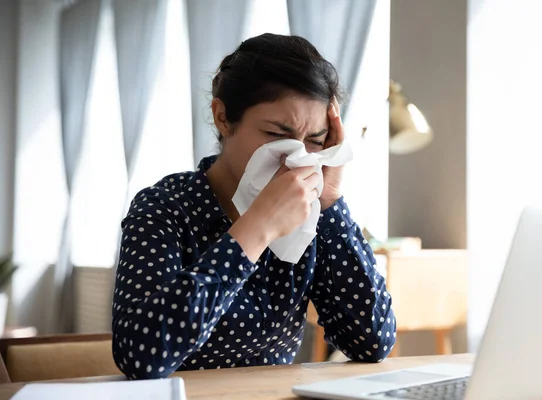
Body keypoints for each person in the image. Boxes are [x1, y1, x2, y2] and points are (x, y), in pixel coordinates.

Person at [112, 33, 396, 379]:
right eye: (277, 137)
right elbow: (140, 357)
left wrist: (330, 200)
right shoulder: (165, 207)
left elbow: (373, 342)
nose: (296, 157)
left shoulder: (309, 212)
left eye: (315, 141)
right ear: (223, 117)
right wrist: (256, 229)